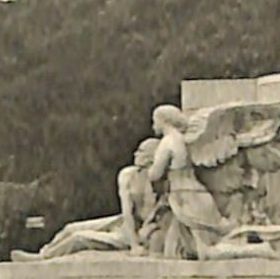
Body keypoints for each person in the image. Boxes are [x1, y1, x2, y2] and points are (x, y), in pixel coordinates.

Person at [13, 138, 162, 261]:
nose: (136, 153)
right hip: (124, 222)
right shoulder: (128, 175)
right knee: (70, 228)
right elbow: (127, 212)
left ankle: (44, 257)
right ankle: (43, 252)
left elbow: (156, 217)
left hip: (138, 231)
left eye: (141, 151)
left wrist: (136, 242)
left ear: (152, 156)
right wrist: (133, 244)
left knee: (78, 238)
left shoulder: (160, 181)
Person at [148, 104, 234, 260]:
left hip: (185, 198)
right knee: (173, 250)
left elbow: (155, 174)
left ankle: (259, 251)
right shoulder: (184, 140)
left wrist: (148, 168)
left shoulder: (168, 141)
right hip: (194, 193)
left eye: (155, 121)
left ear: (164, 121)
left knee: (206, 251)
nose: (153, 125)